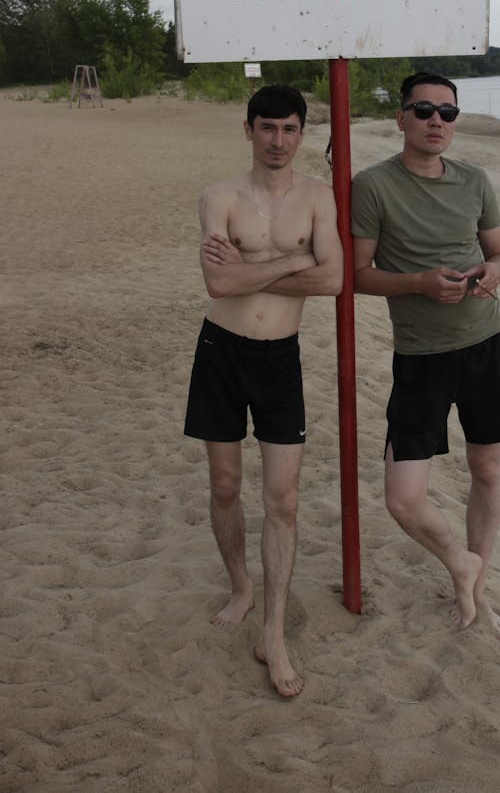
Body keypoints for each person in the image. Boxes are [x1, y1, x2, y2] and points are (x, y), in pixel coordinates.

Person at [184, 84, 343, 697]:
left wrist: (251, 270)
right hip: (220, 353)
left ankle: (273, 630)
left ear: (303, 133)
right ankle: (241, 586)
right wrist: (294, 262)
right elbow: (218, 287)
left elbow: (332, 281)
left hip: (281, 358)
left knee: (283, 498)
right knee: (225, 485)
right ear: (247, 130)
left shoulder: (317, 198)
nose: (278, 140)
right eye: (267, 128)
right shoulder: (219, 197)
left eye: (290, 129)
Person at [350, 71, 500, 641]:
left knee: (488, 471)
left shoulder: (474, 180)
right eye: (424, 111)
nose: (436, 122)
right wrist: (420, 283)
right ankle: (461, 561)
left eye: (448, 113)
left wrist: (491, 273)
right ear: (401, 118)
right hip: (421, 356)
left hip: (486, 344)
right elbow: (359, 277)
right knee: (402, 498)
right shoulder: (372, 186)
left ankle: (475, 592)